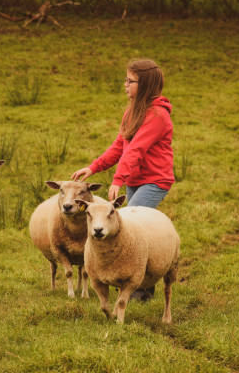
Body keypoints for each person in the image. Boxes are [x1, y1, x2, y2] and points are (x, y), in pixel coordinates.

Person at [71, 58, 174, 301]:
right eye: (125, 79)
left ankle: (138, 286)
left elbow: (136, 149)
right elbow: (121, 145)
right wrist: (94, 167)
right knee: (130, 226)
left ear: (146, 84)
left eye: (131, 81)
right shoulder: (133, 111)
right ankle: (141, 285)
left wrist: (117, 180)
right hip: (135, 180)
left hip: (154, 181)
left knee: (129, 224)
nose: (125, 84)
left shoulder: (158, 115)